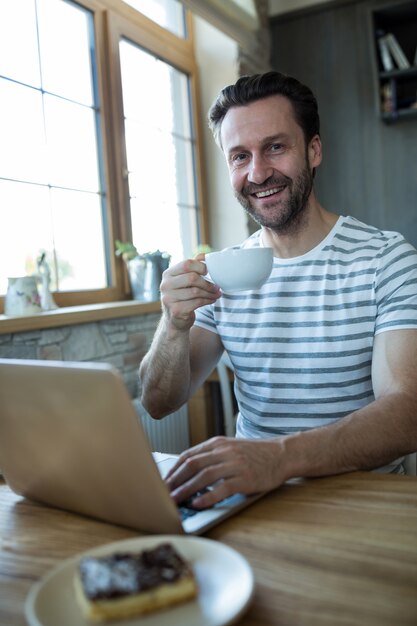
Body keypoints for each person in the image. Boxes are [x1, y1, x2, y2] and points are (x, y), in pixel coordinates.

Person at [139, 71, 417, 510]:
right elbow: (158, 402)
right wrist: (173, 325)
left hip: (367, 507)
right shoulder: (221, 272)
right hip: (250, 505)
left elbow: (407, 412)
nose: (258, 172)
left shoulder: (387, 259)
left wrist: (277, 459)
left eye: (275, 147)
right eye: (239, 156)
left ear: (314, 149)